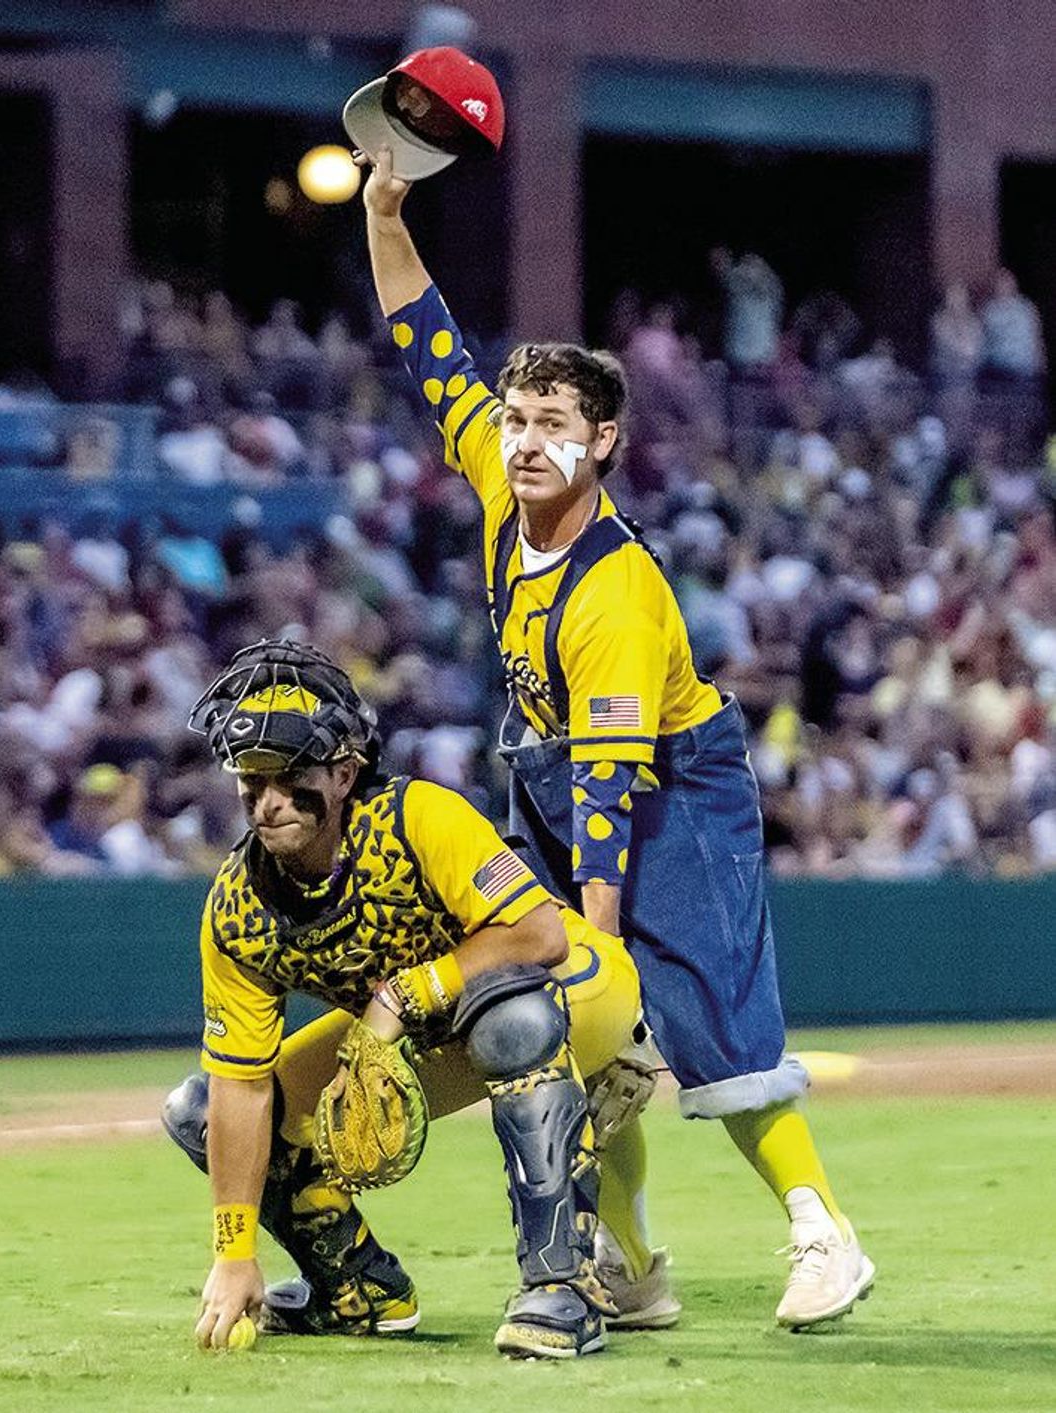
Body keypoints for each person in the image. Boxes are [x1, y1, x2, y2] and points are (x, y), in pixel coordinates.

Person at [361, 147, 874, 1329]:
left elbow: (613, 776)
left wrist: (597, 948)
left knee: (711, 1030)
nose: (525, 439)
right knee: (583, 1046)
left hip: (673, 793)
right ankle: (633, 1270)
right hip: (551, 774)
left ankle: (824, 1234)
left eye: (553, 424)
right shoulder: (501, 479)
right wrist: (386, 210)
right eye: (518, 418)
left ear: (602, 445)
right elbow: (425, 341)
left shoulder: (615, 593)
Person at [162, 639, 675, 1360]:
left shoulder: (417, 817)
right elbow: (241, 1087)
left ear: (344, 774)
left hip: (575, 984)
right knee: (198, 1111)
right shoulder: (237, 909)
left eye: (288, 776)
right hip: (416, 1030)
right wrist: (233, 1249)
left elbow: (536, 933)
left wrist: (403, 993)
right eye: (251, 779)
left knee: (512, 1022)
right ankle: (357, 1291)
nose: (267, 800)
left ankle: (564, 1288)